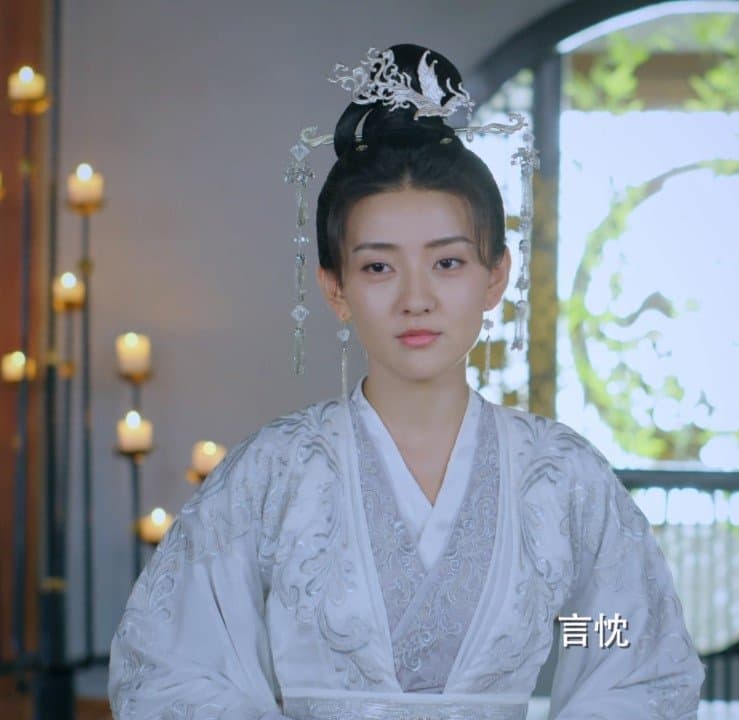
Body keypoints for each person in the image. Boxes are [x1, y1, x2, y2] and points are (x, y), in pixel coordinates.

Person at [107, 43, 704, 720]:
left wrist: (571, 641)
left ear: (496, 277)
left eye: (447, 263)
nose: (415, 299)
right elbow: (175, 665)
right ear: (334, 288)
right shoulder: (271, 475)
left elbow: (627, 644)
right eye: (378, 268)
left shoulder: (563, 477)